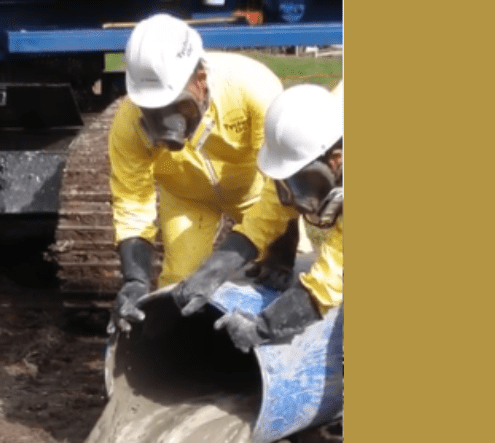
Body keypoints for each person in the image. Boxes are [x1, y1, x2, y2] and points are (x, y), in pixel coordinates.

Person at [109, 13, 296, 333]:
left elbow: (282, 182)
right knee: (179, 286)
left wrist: (282, 248)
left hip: (257, 193)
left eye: (175, 106)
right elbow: (132, 202)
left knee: (284, 282)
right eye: (153, 111)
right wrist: (135, 280)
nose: (166, 123)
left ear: (200, 79)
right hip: (185, 198)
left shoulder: (252, 88)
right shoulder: (128, 125)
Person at [178, 82, 344, 353]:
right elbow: (259, 223)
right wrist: (207, 276)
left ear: (336, 161)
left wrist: (260, 329)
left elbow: (328, 283)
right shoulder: (315, 141)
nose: (293, 200)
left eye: (301, 184)